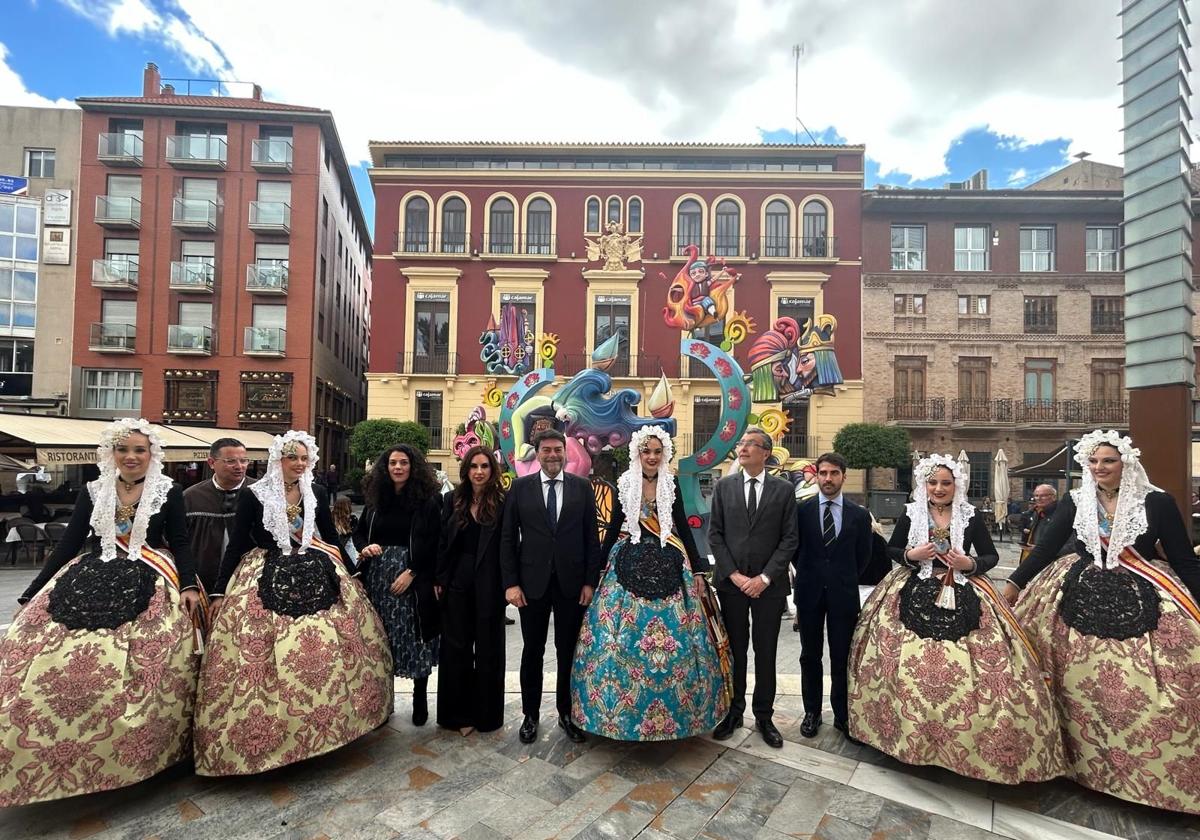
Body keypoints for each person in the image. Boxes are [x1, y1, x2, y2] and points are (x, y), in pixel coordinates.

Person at [0, 418, 202, 805]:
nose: (130, 457)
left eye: (139, 450)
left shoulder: (168, 491)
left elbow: (180, 541)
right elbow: (69, 544)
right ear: (111, 453)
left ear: (151, 455)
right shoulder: (93, 490)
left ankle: (139, 747)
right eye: (123, 450)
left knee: (149, 662)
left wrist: (190, 584)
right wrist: (33, 592)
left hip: (151, 577)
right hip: (89, 576)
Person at [1002, 430, 1200, 813]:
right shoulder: (1077, 501)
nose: (1098, 468)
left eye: (1107, 460)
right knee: (1070, 681)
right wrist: (1013, 584)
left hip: (1143, 591)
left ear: (1125, 462)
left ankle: (1140, 772)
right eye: (1092, 462)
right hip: (1075, 590)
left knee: (1149, 684)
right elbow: (1044, 549)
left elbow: (1182, 558)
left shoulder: (1157, 502)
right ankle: (1074, 763)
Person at [848, 455, 1065, 783]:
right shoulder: (912, 514)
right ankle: (910, 736)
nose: (938, 488)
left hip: (965, 589)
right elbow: (891, 551)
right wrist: (911, 555)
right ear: (924, 485)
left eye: (945, 483)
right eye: (932, 483)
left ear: (956, 486)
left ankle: (966, 744)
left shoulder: (971, 516)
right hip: (912, 587)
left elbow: (990, 555)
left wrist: (969, 564)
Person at [193, 431, 392, 776]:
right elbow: (238, 543)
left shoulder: (315, 491)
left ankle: (333, 725)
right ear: (277, 459)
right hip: (265, 571)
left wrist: (349, 572)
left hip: (316, 567)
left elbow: (330, 537)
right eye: (292, 458)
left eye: (303, 458)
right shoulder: (255, 495)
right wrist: (220, 589)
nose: (299, 464)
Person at [570, 427, 729, 740]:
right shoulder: (625, 483)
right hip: (626, 561)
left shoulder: (671, 484)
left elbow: (682, 525)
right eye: (647, 452)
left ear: (663, 454)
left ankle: (683, 716)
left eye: (657, 452)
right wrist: (596, 573)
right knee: (615, 640)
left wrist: (697, 570)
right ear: (637, 454)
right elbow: (615, 524)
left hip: (671, 559)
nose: (652, 457)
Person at [501, 429, 603, 744]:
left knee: (567, 651)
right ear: (537, 453)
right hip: (532, 585)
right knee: (532, 651)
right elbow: (507, 538)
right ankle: (530, 715)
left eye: (558, 449)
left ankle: (566, 713)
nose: (553, 455)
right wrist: (511, 584)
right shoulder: (519, 488)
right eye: (546, 450)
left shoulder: (582, 488)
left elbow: (591, 537)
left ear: (565, 451)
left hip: (571, 584)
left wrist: (590, 581)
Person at [708, 426, 799, 748]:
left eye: (750, 444)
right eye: (742, 443)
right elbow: (715, 535)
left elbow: (790, 539)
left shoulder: (783, 490)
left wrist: (764, 578)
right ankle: (734, 712)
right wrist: (734, 575)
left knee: (766, 653)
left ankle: (764, 716)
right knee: (735, 652)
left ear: (765, 452)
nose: (743, 448)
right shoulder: (724, 487)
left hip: (768, 588)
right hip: (732, 586)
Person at [354, 444, 443, 725]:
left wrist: (412, 572)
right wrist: (365, 548)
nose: (398, 468)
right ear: (385, 466)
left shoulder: (429, 500)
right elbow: (358, 535)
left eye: (403, 463)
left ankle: (420, 699)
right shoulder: (375, 499)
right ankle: (384, 701)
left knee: (415, 639)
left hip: (412, 581)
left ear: (413, 466)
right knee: (383, 640)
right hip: (377, 580)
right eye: (393, 463)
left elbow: (435, 541)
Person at [792, 452, 871, 740]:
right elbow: (795, 550)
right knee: (809, 656)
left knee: (841, 656)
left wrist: (841, 577)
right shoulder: (802, 511)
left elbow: (863, 557)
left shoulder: (859, 515)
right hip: (809, 593)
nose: (828, 478)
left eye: (834, 473)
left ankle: (842, 714)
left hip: (844, 595)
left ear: (843, 476)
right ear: (818, 475)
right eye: (823, 473)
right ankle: (811, 712)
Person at [435, 446, 507, 735]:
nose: (479, 471)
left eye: (485, 466)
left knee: (490, 650)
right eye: (474, 466)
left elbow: (510, 545)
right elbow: (443, 542)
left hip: (491, 581)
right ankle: (458, 715)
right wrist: (440, 578)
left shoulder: (503, 502)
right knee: (456, 649)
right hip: (457, 583)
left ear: (492, 470)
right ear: (466, 470)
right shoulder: (452, 499)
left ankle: (487, 716)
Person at [184, 437, 248, 591]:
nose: (239, 466)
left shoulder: (260, 493)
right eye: (231, 461)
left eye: (244, 461)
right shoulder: (191, 497)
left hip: (247, 581)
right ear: (211, 463)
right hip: (203, 581)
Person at [1018, 484, 1059, 563]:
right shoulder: (1037, 513)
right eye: (1036, 496)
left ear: (1053, 497)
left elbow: (1069, 544)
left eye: (1043, 495)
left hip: (1051, 561)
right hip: (1035, 557)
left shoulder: (1060, 514)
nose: (1039, 498)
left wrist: (1042, 549)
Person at [331, 495, 359, 566]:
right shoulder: (352, 519)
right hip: (348, 549)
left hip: (333, 549)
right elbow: (356, 535)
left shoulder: (330, 518)